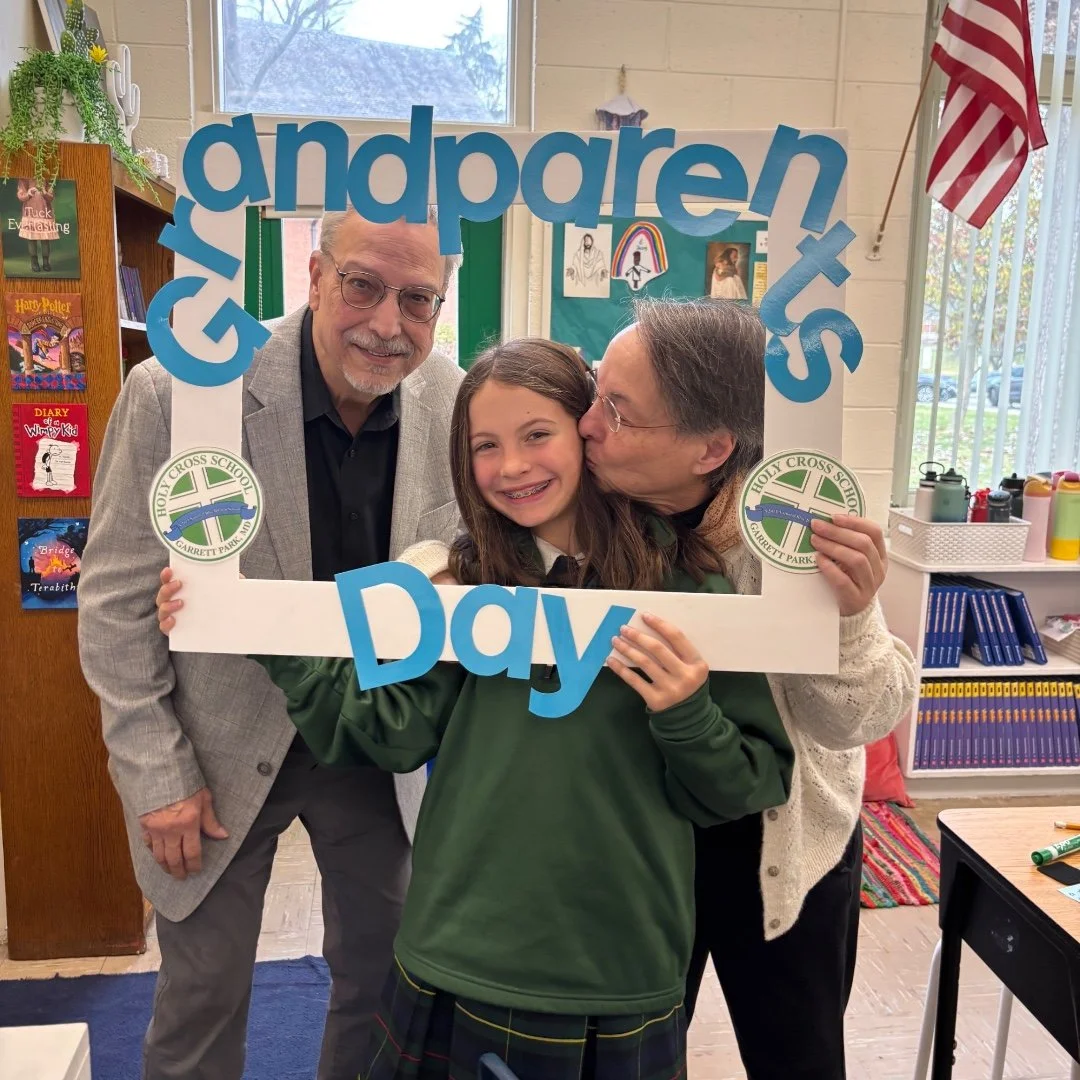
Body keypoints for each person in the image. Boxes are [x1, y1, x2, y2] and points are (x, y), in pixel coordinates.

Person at [157, 338, 795, 1080]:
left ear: (587, 432)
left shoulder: (688, 591)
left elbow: (745, 785)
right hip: (456, 947)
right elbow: (390, 733)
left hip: (617, 959)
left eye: (537, 434)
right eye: (485, 446)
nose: (512, 466)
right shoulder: (458, 586)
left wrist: (687, 713)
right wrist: (261, 629)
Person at [77, 208, 465, 1080]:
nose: (388, 323)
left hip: (374, 744)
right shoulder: (181, 393)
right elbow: (113, 604)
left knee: (385, 979)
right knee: (202, 994)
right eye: (362, 285)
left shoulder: (454, 402)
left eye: (417, 299)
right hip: (214, 748)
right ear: (316, 277)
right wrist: (156, 773)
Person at [578, 297, 917, 1080]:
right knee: (634, 1057)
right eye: (596, 390)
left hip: (781, 845)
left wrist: (852, 617)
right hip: (648, 842)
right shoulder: (591, 513)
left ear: (711, 448)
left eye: (617, 411)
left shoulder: (791, 531)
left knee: (795, 1055)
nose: (587, 423)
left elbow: (859, 718)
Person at [17, 178, 58, 272]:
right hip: (30, 213)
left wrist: (44, 192)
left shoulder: (46, 177)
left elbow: (51, 197)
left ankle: (46, 262)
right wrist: (28, 194)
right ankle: (34, 262)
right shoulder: (24, 179)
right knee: (31, 238)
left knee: (45, 239)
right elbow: (20, 195)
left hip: (44, 213)